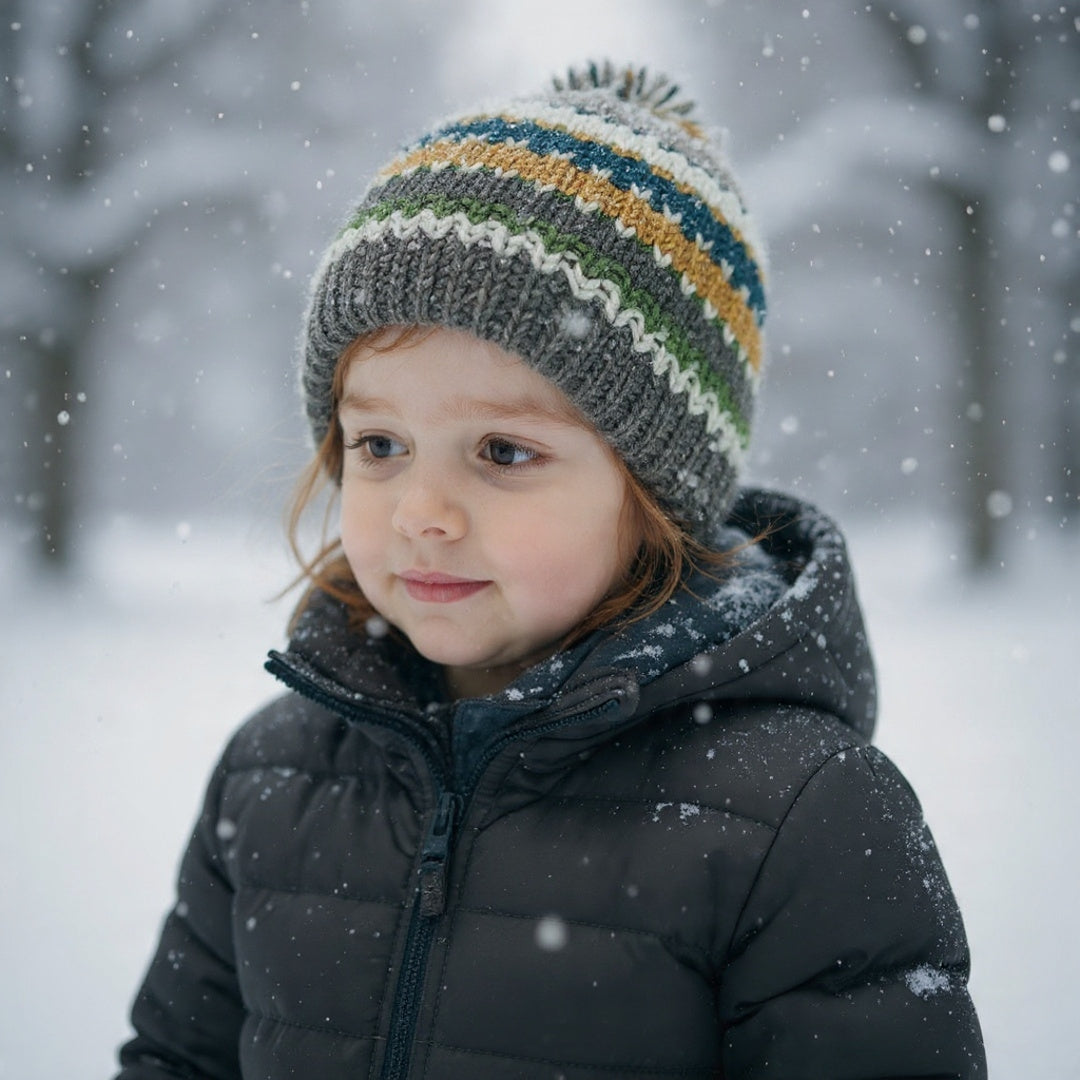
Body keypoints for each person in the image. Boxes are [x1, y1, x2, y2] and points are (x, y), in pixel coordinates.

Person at [116, 61, 986, 1079]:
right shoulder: (276, 776)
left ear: (655, 490)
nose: (423, 516)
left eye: (503, 453)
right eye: (381, 446)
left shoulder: (801, 816)